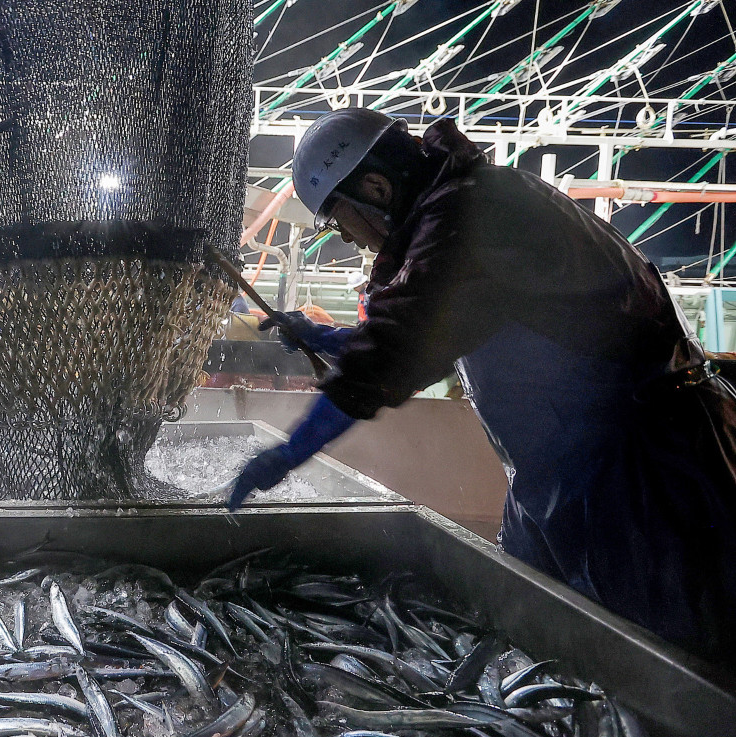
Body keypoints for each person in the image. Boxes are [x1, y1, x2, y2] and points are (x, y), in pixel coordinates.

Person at [229, 107, 736, 662]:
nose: (349, 241)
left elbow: (402, 343)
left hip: (641, 473)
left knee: (663, 659)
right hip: (559, 474)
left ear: (375, 186)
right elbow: (443, 330)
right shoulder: (466, 204)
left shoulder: (469, 215)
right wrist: (330, 340)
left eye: (339, 222)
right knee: (529, 638)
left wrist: (289, 453)